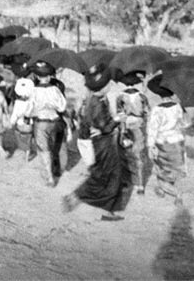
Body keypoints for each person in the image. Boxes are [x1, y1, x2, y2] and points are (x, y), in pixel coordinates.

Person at [62, 63, 130, 221]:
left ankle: (79, 197)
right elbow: (103, 126)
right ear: (103, 86)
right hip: (104, 143)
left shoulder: (95, 99)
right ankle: (100, 206)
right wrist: (118, 119)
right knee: (110, 176)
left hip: (100, 142)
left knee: (103, 175)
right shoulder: (98, 103)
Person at [146, 78, 189, 203]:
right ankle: (165, 188)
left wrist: (150, 145)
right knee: (175, 169)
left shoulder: (157, 110)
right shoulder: (178, 107)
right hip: (177, 141)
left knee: (162, 169)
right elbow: (183, 124)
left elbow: (153, 129)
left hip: (163, 143)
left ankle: (175, 193)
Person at [27, 61, 67, 187]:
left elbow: (29, 109)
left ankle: (50, 177)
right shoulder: (55, 89)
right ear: (49, 76)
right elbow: (62, 107)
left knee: (44, 150)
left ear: (38, 77)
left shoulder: (34, 91)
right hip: (54, 121)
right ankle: (56, 169)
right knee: (53, 146)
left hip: (41, 122)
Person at [116, 72, 150, 195]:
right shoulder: (142, 96)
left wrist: (123, 128)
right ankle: (140, 185)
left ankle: (127, 180)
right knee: (139, 154)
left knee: (125, 154)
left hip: (126, 124)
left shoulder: (120, 96)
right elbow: (147, 112)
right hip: (139, 125)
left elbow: (120, 114)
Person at [10, 78, 35, 162]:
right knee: (28, 139)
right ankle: (28, 153)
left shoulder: (17, 102)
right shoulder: (32, 102)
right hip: (29, 124)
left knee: (19, 136)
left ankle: (24, 150)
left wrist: (12, 122)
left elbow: (14, 115)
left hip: (20, 124)